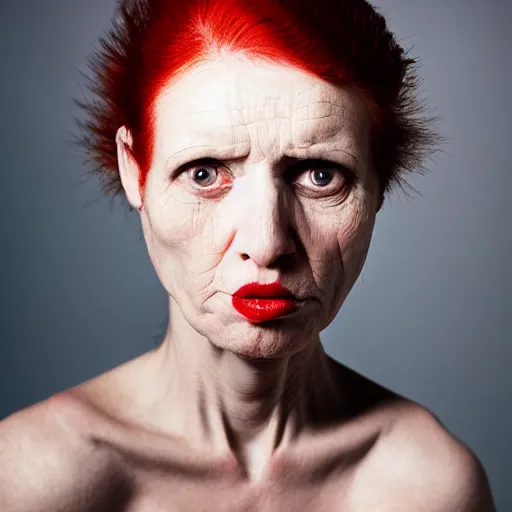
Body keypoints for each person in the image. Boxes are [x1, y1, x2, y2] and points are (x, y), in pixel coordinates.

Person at [0, 0, 496, 510]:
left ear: (378, 185)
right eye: (205, 173)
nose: (266, 244)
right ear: (135, 171)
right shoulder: (33, 479)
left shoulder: (430, 488)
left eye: (320, 175)